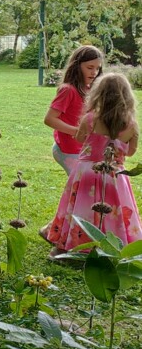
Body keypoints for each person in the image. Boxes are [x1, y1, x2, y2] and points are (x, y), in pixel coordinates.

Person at [42, 73, 142, 256]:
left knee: (81, 209)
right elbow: (130, 151)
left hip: (86, 171)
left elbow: (80, 138)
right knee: (114, 210)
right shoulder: (131, 125)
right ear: (127, 97)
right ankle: (117, 246)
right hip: (115, 175)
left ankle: (73, 245)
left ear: (98, 95)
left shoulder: (90, 119)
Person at [43, 45, 103, 174]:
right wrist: (77, 131)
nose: (94, 72)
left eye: (97, 68)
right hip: (68, 150)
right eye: (90, 68)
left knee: (86, 186)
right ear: (77, 66)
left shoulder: (89, 89)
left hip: (83, 148)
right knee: (80, 186)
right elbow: (49, 119)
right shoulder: (68, 90)